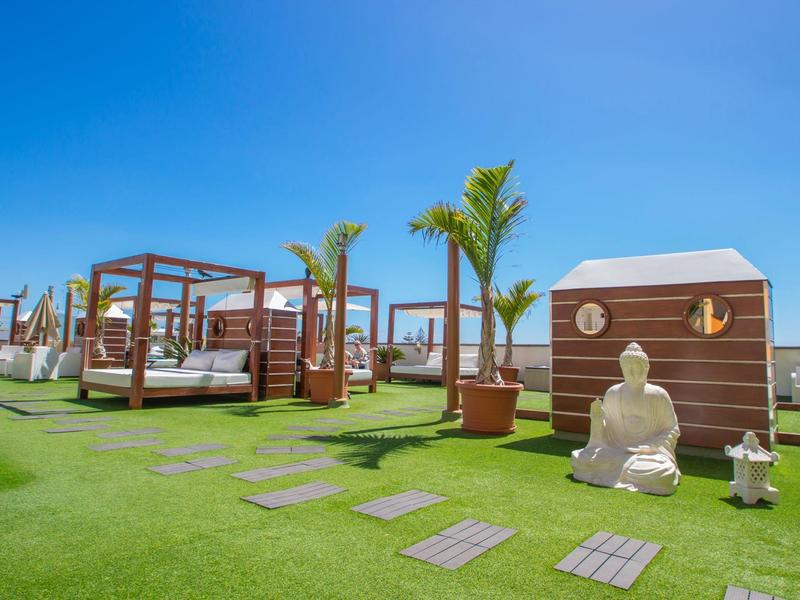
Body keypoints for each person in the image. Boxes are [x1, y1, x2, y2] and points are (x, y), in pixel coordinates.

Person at [570, 342, 681, 496]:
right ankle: (620, 471)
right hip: (615, 449)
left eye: (637, 369)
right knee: (580, 458)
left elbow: (672, 429)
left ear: (646, 368)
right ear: (622, 369)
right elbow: (605, 431)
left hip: (647, 454)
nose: (633, 374)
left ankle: (617, 471)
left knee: (663, 472)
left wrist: (649, 447)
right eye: (628, 370)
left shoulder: (658, 394)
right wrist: (596, 421)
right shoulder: (613, 393)